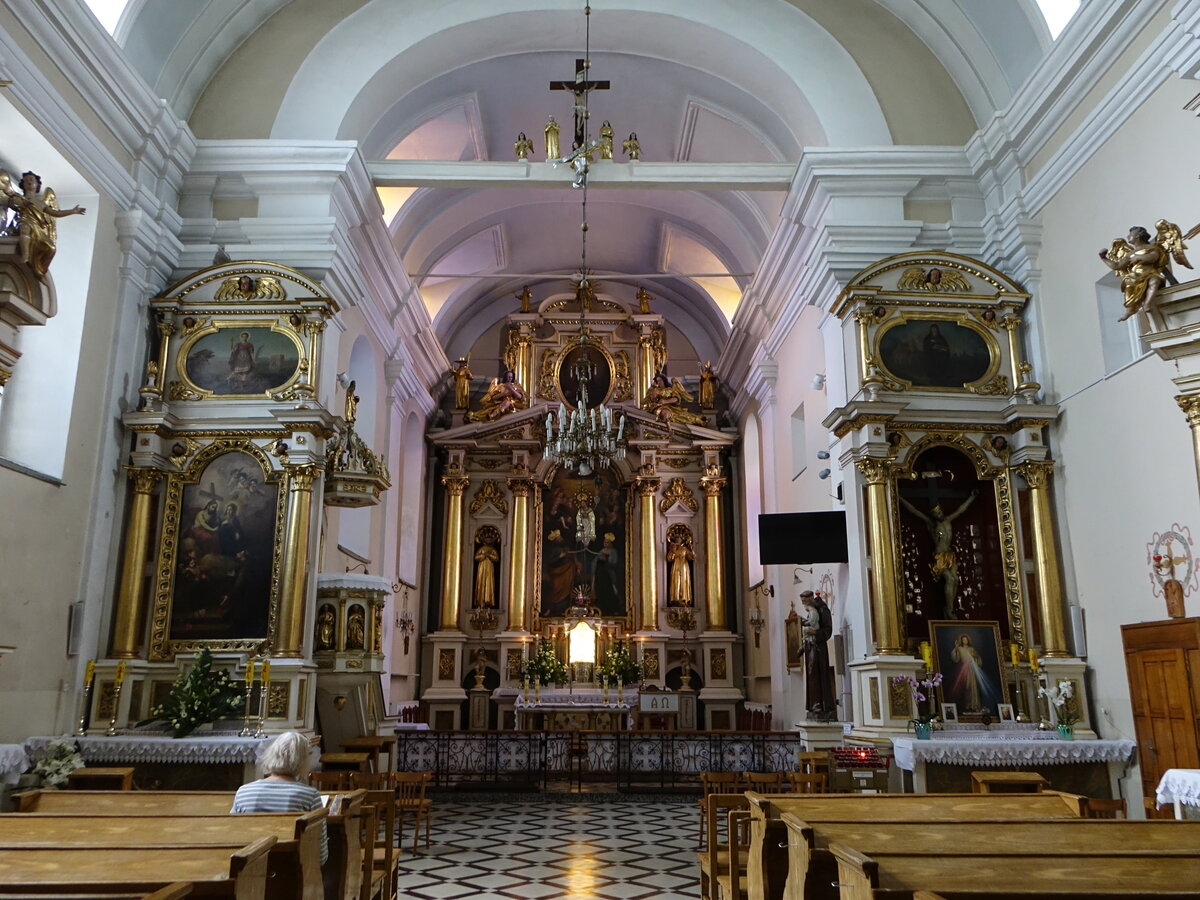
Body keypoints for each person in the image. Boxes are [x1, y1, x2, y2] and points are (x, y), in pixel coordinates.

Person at [232, 731, 327, 865]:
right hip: (291, 874)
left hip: (250, 871)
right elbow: (320, 855)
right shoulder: (310, 796)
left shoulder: (244, 791)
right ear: (303, 761)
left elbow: (232, 839)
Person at [900, 489, 978, 619]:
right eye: (937, 514)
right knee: (950, 579)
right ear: (934, 516)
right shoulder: (931, 524)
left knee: (956, 579)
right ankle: (950, 610)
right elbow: (914, 510)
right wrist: (899, 497)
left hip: (949, 554)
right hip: (940, 555)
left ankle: (949, 608)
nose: (940, 514)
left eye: (940, 512)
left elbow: (961, 510)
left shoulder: (948, 520)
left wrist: (972, 498)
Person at [1, 170, 86, 279]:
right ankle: (25, 255)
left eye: (32, 180)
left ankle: (40, 270)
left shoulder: (41, 203)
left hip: (38, 227)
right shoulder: (18, 197)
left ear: (37, 184)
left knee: (51, 248)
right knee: (25, 229)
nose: (29, 182)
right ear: (23, 184)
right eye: (26, 180)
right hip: (24, 221)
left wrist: (73, 211)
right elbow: (10, 203)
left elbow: (55, 213)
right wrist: (22, 203)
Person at [1098, 223, 1188, 320]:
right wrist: (1104, 258)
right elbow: (1117, 266)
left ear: (1138, 236)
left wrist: (1140, 257)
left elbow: (1154, 257)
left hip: (1151, 273)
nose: (1128, 236)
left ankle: (1147, 304)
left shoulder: (1152, 247)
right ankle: (1130, 310)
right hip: (1136, 275)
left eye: (1131, 234)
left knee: (1155, 281)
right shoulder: (1130, 254)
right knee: (1128, 283)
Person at [800, 591, 835, 721]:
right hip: (810, 647)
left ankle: (821, 705)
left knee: (817, 674)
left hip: (819, 648)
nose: (804, 604)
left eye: (805, 602)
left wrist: (814, 632)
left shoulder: (822, 610)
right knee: (811, 675)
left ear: (811, 599)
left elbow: (828, 630)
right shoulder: (812, 610)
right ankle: (814, 704)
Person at [948, 633, 999, 713]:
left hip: (972, 670)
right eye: (963, 640)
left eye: (966, 639)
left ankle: (975, 705)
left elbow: (978, 660)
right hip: (963, 670)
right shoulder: (960, 649)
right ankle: (967, 705)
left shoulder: (972, 649)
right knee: (966, 687)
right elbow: (956, 659)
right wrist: (956, 648)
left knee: (974, 687)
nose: (965, 641)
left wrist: (975, 656)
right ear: (961, 641)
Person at [666, 534, 694, 606]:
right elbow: (669, 559)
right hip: (676, 567)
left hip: (684, 567)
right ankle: (676, 598)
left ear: (681, 540)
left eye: (679, 539)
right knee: (676, 581)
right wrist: (672, 551)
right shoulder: (673, 548)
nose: (678, 540)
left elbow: (691, 557)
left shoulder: (684, 549)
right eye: (676, 539)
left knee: (683, 581)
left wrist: (691, 549)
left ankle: (684, 599)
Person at [473, 536, 498, 608]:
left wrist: (489, 555)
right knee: (481, 582)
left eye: (490, 538)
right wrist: (483, 556)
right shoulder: (482, 549)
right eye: (487, 539)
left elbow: (496, 558)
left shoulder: (492, 549)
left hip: (490, 568)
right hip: (482, 568)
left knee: (489, 583)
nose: (488, 540)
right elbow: (476, 557)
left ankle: (488, 600)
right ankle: (480, 601)